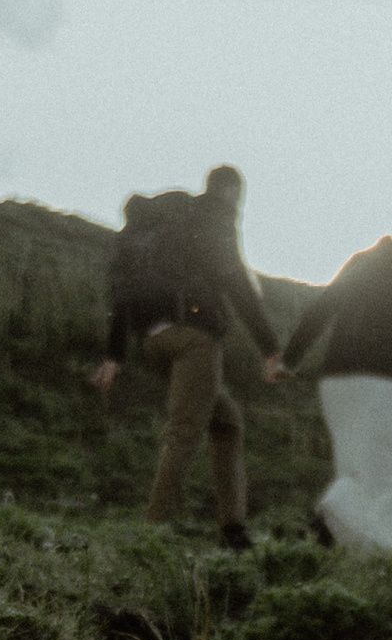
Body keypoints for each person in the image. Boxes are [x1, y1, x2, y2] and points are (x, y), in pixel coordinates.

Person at [91, 164, 287, 548]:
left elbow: (121, 291)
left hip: (151, 341)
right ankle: (152, 533)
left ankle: (234, 530)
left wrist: (115, 355)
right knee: (184, 433)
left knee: (227, 422)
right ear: (232, 192)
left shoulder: (159, 228)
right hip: (193, 340)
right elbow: (235, 284)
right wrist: (269, 348)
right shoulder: (215, 215)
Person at [276, 212, 392, 554]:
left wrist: (290, 360)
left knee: (356, 470)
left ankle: (331, 545)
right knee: (382, 478)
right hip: (384, 381)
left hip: (337, 378)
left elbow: (321, 308)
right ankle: (334, 538)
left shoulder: (362, 260)